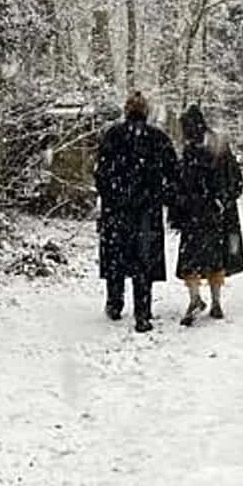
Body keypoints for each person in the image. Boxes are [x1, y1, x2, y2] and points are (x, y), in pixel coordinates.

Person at [94, 90, 177, 332]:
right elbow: (172, 173)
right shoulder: (157, 138)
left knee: (116, 257)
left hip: (117, 209)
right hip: (146, 211)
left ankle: (115, 302)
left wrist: (110, 196)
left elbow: (101, 172)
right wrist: (160, 197)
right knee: (143, 260)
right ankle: (143, 310)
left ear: (126, 110)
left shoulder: (113, 136)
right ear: (146, 111)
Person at [170, 104, 243, 326]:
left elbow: (182, 182)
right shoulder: (218, 145)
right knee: (216, 259)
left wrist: (180, 205)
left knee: (190, 260)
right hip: (215, 214)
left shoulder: (190, 149)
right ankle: (215, 301)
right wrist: (224, 200)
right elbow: (235, 180)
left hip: (195, 214)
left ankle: (195, 299)